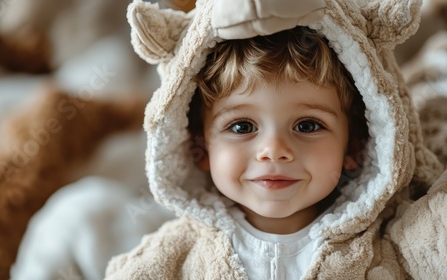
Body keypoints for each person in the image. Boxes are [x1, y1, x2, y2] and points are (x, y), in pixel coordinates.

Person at [105, 0, 447, 279]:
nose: (274, 151)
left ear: (356, 145)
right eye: (241, 127)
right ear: (199, 145)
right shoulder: (173, 256)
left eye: (308, 126)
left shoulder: (392, 243)